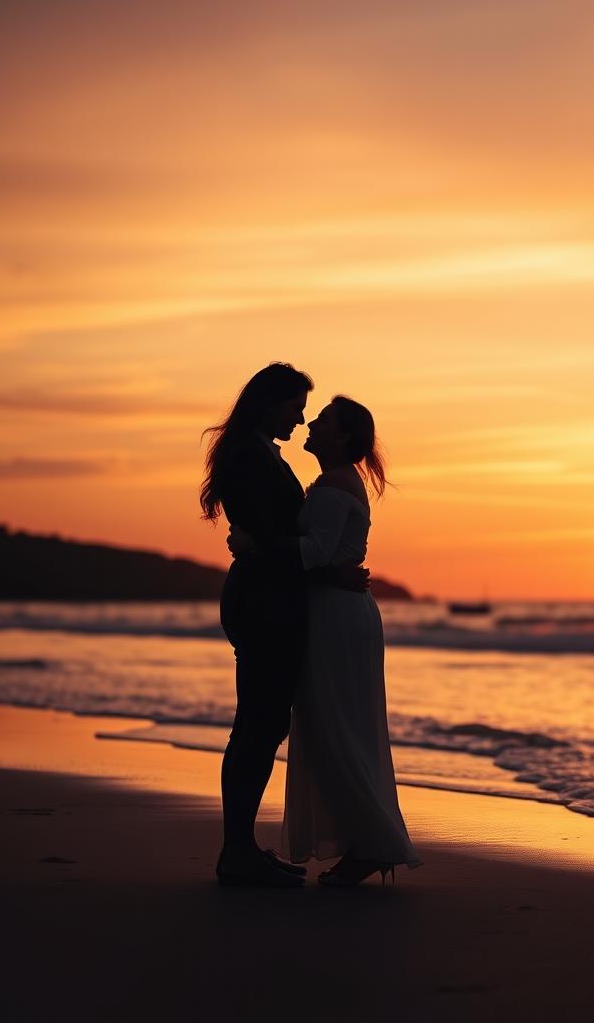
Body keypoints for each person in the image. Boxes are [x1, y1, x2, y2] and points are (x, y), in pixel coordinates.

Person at [231, 395, 420, 885]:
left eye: (323, 420)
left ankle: (371, 845)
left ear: (343, 437)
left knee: (337, 727)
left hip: (336, 618)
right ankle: (366, 843)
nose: (310, 423)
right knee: (336, 725)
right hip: (334, 612)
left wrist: (257, 544)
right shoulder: (333, 482)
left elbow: (314, 551)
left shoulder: (335, 486)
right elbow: (325, 557)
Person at [200, 364, 368, 888]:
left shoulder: (257, 452)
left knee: (262, 723)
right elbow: (273, 536)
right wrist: (325, 567)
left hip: (269, 599)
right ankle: (236, 852)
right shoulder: (249, 456)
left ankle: (241, 847)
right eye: (296, 407)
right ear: (270, 402)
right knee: (256, 726)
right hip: (264, 603)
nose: (299, 419)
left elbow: (271, 535)